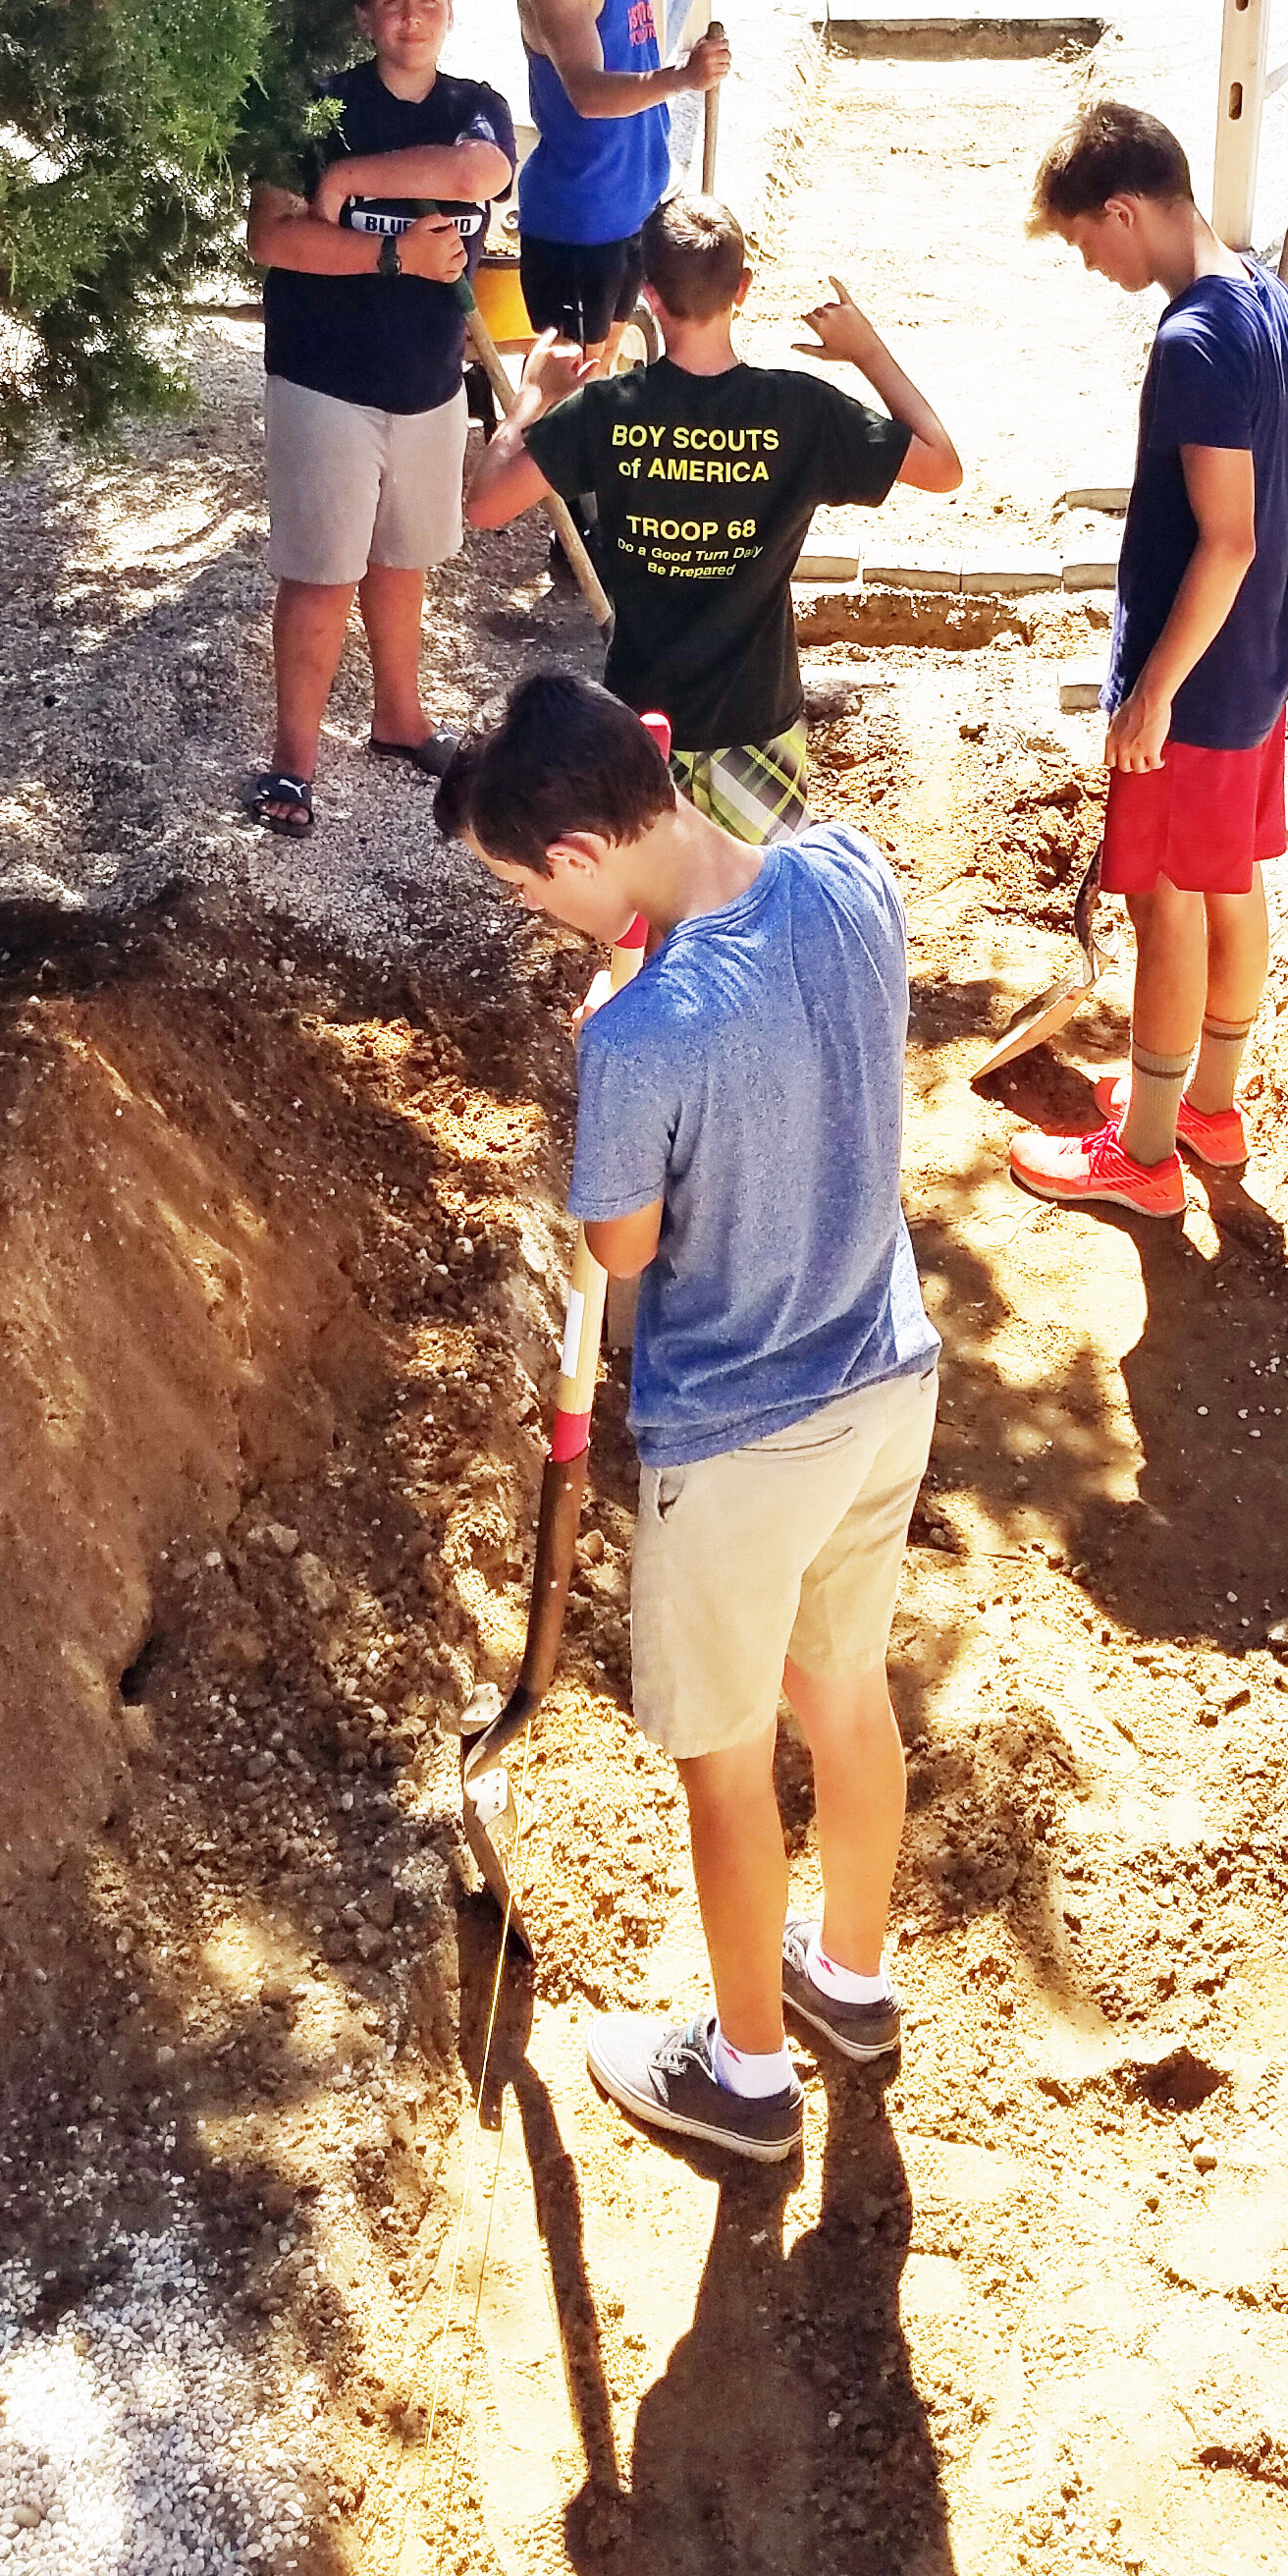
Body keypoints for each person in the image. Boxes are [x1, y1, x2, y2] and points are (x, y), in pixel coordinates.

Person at [436, 675, 939, 2166]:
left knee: (724, 1764)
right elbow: (776, 1009)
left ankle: (747, 2080)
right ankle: (848, 1982)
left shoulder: (639, 1032)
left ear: (587, 850)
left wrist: (621, 1028)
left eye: (528, 885)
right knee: (845, 1694)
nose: (534, 910)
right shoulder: (853, 875)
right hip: (884, 1373)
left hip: (740, 1437)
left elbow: (626, 1251)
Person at [1010, 99, 1288, 1221]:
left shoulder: (1194, 340)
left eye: (1083, 240)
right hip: (1255, 664)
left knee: (1163, 904)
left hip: (1195, 680)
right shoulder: (1267, 294)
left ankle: (1145, 1158)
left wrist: (1153, 688)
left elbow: (1231, 534)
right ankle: (1210, 1103)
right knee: (1229, 882)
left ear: (1123, 208)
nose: (1090, 262)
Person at [463, 192, 961, 843]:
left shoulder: (609, 410)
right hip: (757, 724)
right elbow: (943, 466)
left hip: (643, 728)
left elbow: (484, 505)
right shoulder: (800, 410)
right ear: (744, 289)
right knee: (757, 909)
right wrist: (867, 351)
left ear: (649, 294)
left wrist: (530, 400)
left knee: (651, 928)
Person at [244, 0, 513, 839]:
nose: (411, 19)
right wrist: (394, 253)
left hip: (430, 382)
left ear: (448, 9)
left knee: (403, 562)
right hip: (325, 378)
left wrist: (357, 178)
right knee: (322, 574)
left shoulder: (477, 106)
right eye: (392, 3)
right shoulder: (312, 108)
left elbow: (482, 172)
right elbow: (275, 239)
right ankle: (293, 763)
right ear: (365, 16)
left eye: (427, 1)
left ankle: (400, 719)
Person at [516, 0, 734, 364]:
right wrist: (683, 77)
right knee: (569, 402)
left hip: (634, 205)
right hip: (579, 221)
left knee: (607, 379)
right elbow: (587, 93)